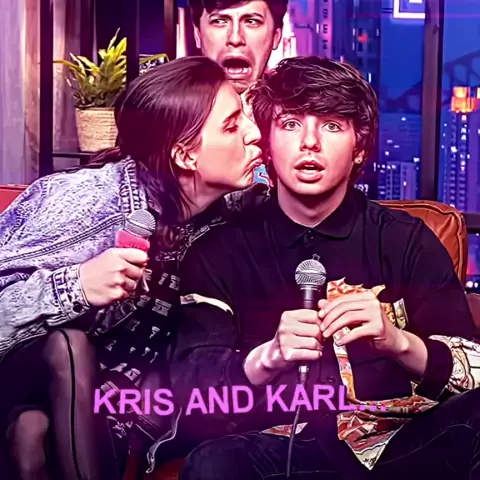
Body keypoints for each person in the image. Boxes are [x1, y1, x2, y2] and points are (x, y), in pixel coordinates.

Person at [171, 56, 480, 480]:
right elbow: (191, 388)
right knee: (213, 464)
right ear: (267, 142)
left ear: (360, 147)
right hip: (274, 449)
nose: (309, 143)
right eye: (290, 124)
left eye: (332, 126)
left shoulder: (406, 240)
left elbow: (473, 368)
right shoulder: (219, 251)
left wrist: (398, 343)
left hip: (397, 447)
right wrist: (267, 357)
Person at [0, 56, 262, 480]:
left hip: (99, 407)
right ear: (185, 156)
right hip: (22, 372)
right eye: (233, 126)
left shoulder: (224, 213)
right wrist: (75, 286)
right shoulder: (88, 202)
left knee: (39, 432)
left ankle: (30, 430)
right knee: (69, 347)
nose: (254, 133)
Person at [188, 0, 288, 185]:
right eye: (219, 21)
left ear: (276, 36)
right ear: (197, 34)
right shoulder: (166, 120)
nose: (235, 38)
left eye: (252, 21)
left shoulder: (298, 126)